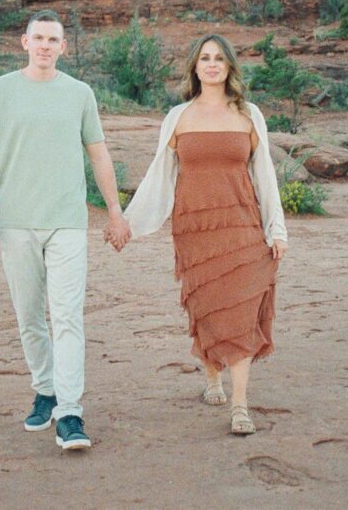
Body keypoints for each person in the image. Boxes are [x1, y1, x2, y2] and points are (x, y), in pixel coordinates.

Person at [0, 9, 131, 451]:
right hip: (17, 220)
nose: (44, 45)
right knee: (29, 317)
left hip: (67, 223)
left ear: (63, 46)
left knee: (66, 316)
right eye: (37, 38)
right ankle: (46, 389)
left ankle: (70, 413)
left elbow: (98, 154)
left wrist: (115, 210)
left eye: (52, 39)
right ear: (24, 42)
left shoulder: (79, 94)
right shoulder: (0, 91)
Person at [111, 33, 287, 435]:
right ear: (195, 66)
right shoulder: (178, 116)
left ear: (229, 68)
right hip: (194, 228)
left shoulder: (248, 114)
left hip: (243, 224)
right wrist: (128, 224)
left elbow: (265, 176)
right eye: (204, 58)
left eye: (219, 59)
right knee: (207, 306)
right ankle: (212, 377)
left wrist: (277, 229)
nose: (211, 65)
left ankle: (240, 405)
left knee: (240, 309)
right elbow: (160, 177)